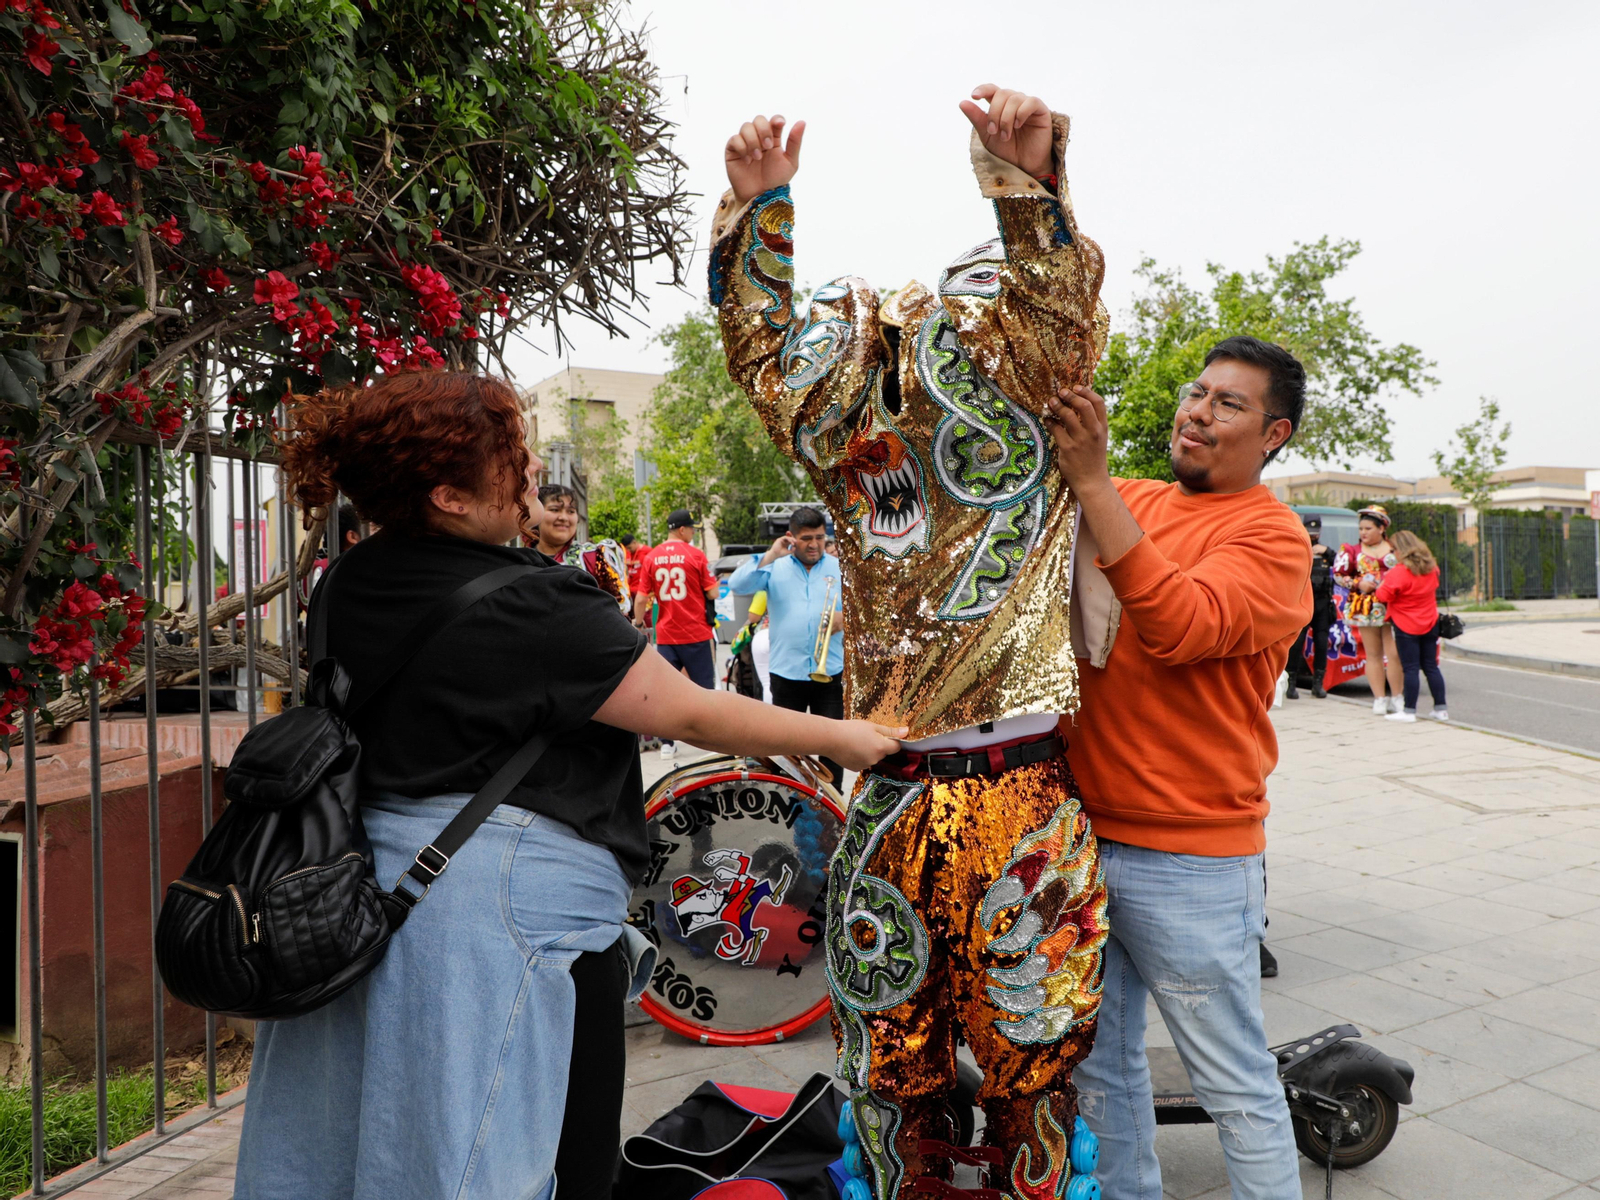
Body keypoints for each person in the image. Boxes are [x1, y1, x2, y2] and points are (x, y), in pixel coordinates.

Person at [238, 371, 902, 1200]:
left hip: (369, 889)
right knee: (525, 1146)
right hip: (495, 914)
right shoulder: (531, 600)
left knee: (369, 1134)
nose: (529, 473)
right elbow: (691, 714)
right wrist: (849, 738)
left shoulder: (349, 580)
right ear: (446, 494)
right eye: (509, 458)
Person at [713, 86, 1110, 1195]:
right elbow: (770, 359)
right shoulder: (851, 448)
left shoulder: (1036, 405)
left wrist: (1024, 193)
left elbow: (1050, 314)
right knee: (890, 1073)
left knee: (1034, 1069)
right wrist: (761, 220)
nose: (927, 344)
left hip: (1011, 792)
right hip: (896, 792)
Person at [1043, 334, 1313, 1200]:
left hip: (1192, 859)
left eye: (1228, 404)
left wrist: (1091, 483)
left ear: (1273, 436)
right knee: (1102, 1076)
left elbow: (1181, 625)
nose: (1197, 411)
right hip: (1081, 839)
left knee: (1234, 1086)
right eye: (1197, 393)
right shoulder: (1135, 499)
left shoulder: (1273, 539)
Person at [728, 506, 846, 781]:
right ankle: (794, 797)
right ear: (791, 537)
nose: (815, 544)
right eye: (807, 538)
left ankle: (832, 803)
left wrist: (847, 619)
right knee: (788, 747)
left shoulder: (839, 566)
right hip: (786, 672)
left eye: (820, 537)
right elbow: (737, 585)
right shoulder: (774, 567)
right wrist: (771, 555)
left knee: (833, 743)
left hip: (829, 670)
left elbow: (868, 610)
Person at [632, 509, 719, 760]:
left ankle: (667, 744)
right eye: (691, 528)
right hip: (696, 633)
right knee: (705, 690)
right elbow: (712, 593)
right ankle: (713, 740)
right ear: (682, 529)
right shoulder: (695, 554)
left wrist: (639, 623)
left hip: (667, 636)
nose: (692, 532)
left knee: (665, 692)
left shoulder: (652, 556)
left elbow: (640, 599)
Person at [1335, 505, 1403, 714]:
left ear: (1382, 528)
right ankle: (1379, 698)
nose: (1363, 532)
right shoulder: (1351, 551)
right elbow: (1339, 575)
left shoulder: (1396, 549)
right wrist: (1357, 584)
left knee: (1394, 654)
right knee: (1373, 654)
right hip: (1365, 606)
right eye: (1361, 528)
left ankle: (1398, 697)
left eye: (1368, 528)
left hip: (1394, 606)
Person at [1377, 530, 1447, 723]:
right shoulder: (1432, 568)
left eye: (1393, 549)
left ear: (1401, 550)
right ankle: (1441, 709)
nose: (1392, 553)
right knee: (1431, 667)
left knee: (1410, 668)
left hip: (1406, 625)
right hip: (1430, 622)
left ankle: (1409, 711)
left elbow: (1383, 596)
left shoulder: (1399, 572)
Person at [531, 484, 630, 612]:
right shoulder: (520, 560)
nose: (564, 517)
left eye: (571, 511)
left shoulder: (596, 557)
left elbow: (621, 611)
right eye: (555, 510)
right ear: (537, 514)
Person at [1285, 515, 1335, 699]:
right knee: (1297, 643)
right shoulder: (1296, 547)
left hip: (1322, 602)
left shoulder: (1325, 551)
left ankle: (1318, 684)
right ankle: (1291, 683)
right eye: (1309, 532)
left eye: (1315, 533)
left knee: (1322, 643)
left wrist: (1328, 551)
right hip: (1303, 601)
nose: (1313, 537)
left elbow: (1342, 566)